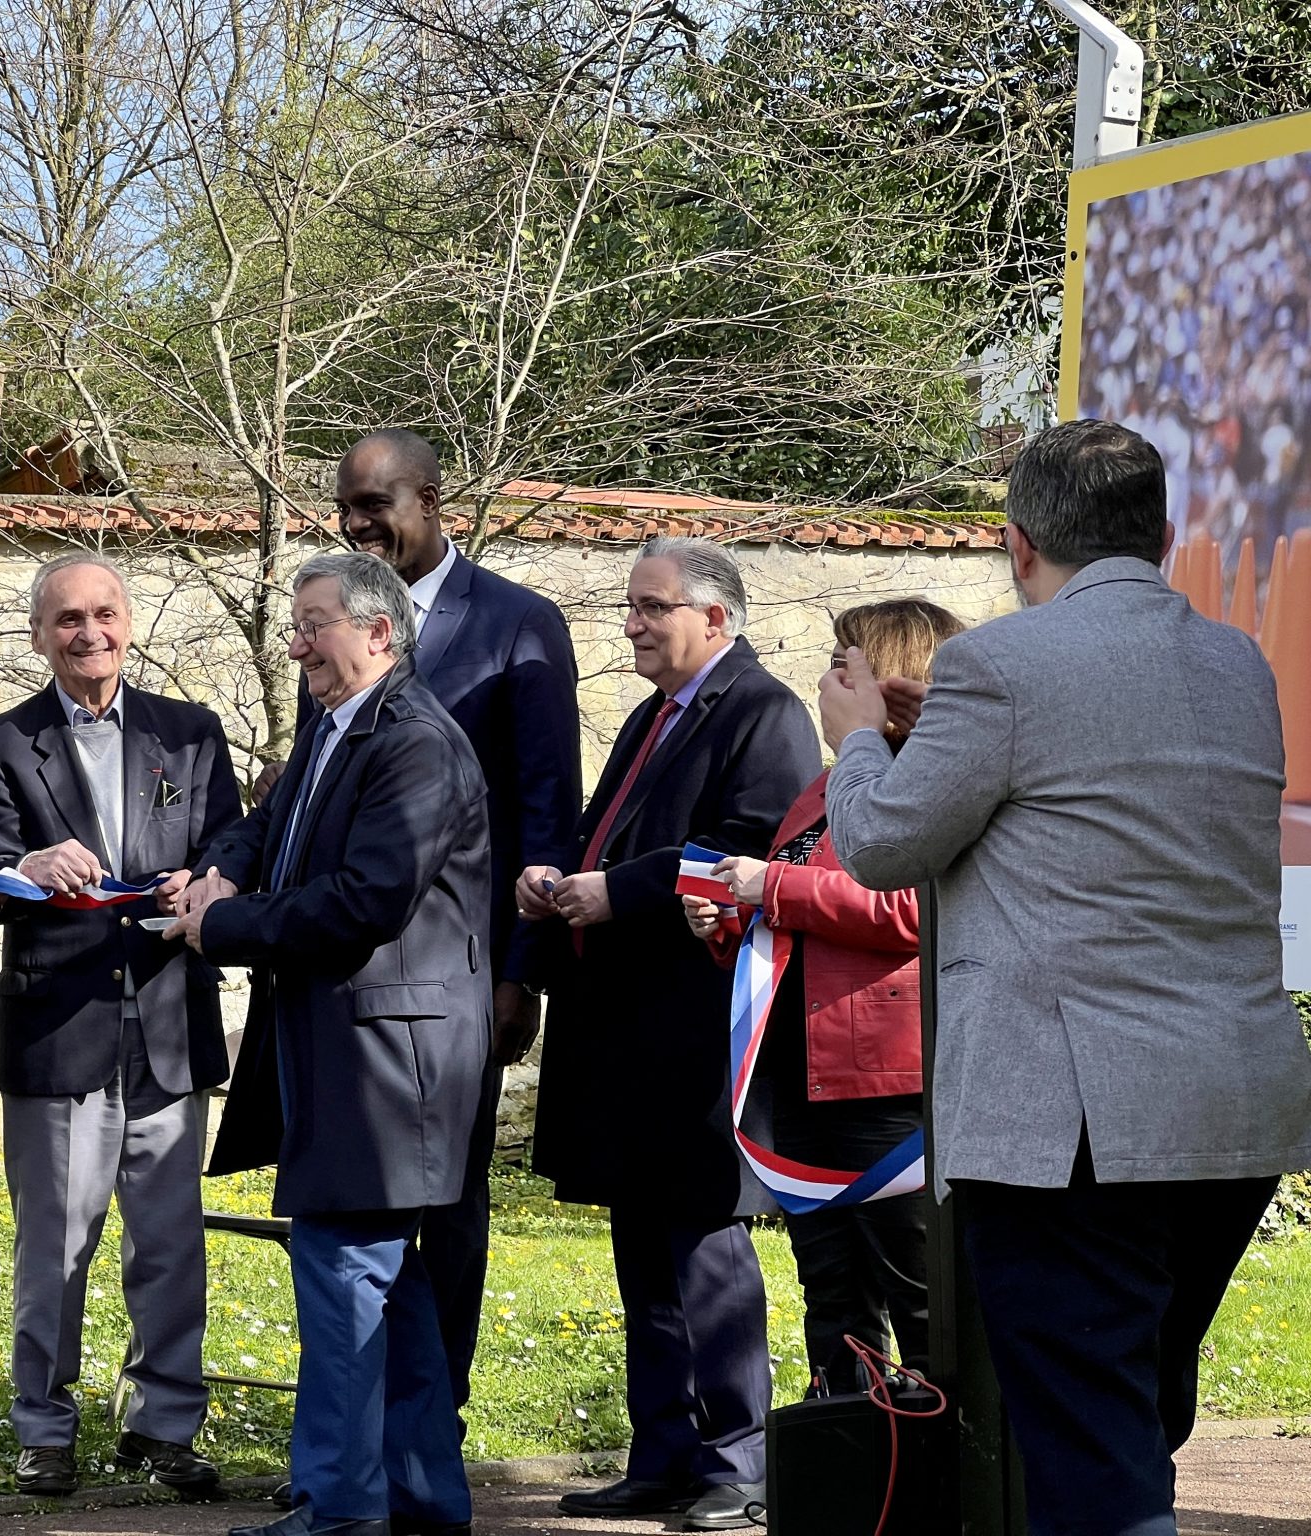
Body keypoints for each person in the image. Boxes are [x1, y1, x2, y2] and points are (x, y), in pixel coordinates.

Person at [819, 418, 1311, 1536]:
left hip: (1073, 1122)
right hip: (1226, 1104)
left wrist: (854, 737)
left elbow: (884, 846)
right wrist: (941, 731)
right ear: (1162, 530)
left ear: (1017, 542)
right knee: (1130, 1413)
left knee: (1088, 1446)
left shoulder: (999, 661)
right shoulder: (1235, 659)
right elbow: (1100, 791)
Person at [168, 550, 491, 1536]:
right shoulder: (335, 724)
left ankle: (338, 1511)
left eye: (315, 624)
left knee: (347, 1284)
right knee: (384, 1289)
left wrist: (215, 929)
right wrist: (219, 871)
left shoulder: (417, 744)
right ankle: (421, 1501)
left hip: (389, 1069)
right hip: (344, 1052)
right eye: (295, 624)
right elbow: (268, 826)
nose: (296, 642)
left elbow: (364, 903)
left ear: (380, 634)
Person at [268, 428, 579, 1421]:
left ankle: (429, 1427)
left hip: (460, 976)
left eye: (376, 506)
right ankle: (364, 1441)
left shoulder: (518, 625)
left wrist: (519, 973)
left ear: (433, 501)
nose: (358, 525)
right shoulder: (338, 632)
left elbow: (545, 806)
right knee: (355, 1216)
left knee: (445, 1205)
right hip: (344, 983)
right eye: (346, 510)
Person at [517, 537, 819, 1532]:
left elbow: (748, 846)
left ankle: (737, 1464)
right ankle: (664, 1452)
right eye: (630, 607)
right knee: (641, 1247)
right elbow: (608, 828)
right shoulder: (656, 713)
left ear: (714, 619)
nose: (632, 624)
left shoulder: (761, 712)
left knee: (702, 1247)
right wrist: (555, 874)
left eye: (650, 607)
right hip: (621, 1028)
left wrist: (615, 891)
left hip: (691, 1025)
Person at [0, 552, 238, 1498]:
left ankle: (164, 1424)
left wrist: (203, 881)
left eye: (105, 613)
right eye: (68, 618)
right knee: (58, 1245)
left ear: (129, 623)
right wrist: (26, 863)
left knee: (168, 1243)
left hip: (166, 1021)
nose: (90, 633)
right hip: (59, 1029)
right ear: (40, 635)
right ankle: (45, 1428)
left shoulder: (190, 734)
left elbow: (225, 845)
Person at [682, 598, 964, 1395]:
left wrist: (772, 883)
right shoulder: (825, 787)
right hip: (803, 1074)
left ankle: (940, 1481)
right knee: (831, 1298)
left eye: (849, 661)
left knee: (917, 1296)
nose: (827, 675)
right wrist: (726, 920)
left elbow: (912, 911)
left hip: (887, 1080)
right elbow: (794, 917)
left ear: (898, 670)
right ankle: (849, 1465)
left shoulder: (932, 781)